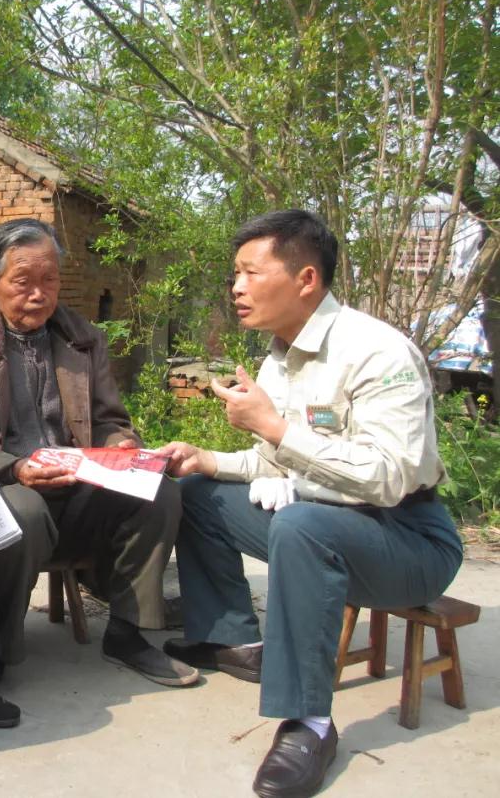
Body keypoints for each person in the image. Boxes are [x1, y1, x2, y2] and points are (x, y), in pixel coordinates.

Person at [159, 210, 463, 798]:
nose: (237, 287)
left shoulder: (377, 352)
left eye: (251, 272)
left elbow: (390, 478)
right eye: (235, 274)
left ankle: (309, 723)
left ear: (306, 279)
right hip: (326, 520)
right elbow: (278, 464)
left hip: (408, 539)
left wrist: (275, 428)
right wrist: (207, 459)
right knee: (195, 495)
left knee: (302, 525)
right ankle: (236, 640)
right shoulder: (280, 357)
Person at [0, 218, 198, 728]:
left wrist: (122, 446)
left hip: (78, 488)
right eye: (23, 282)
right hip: (4, 491)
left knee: (158, 491)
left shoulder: (82, 340)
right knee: (23, 509)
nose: (39, 295)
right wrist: (17, 467)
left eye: (50, 281)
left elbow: (109, 419)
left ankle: (129, 631)